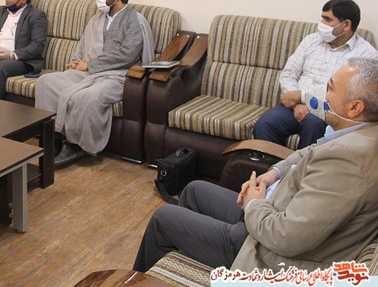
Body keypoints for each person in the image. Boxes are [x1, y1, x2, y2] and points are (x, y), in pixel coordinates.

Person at [133, 57, 378, 273]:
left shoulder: (347, 161)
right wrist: (275, 173)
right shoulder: (360, 134)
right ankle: (184, 263)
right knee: (194, 190)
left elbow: (286, 237)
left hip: (269, 254)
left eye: (330, 88)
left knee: (164, 218)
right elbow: (312, 150)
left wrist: (254, 204)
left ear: (354, 107)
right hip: (273, 212)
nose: (323, 94)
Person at [35, 0, 155, 166]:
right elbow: (82, 45)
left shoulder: (135, 21)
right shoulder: (97, 19)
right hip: (88, 72)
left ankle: (75, 145)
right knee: (46, 82)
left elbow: (127, 55)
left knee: (87, 96)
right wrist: (77, 62)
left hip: (117, 76)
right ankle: (54, 137)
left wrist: (90, 64)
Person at [254, 0, 377, 148]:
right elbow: (288, 74)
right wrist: (297, 103)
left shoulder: (366, 55)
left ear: (346, 25)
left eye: (327, 19)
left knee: (313, 125)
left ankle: (303, 164)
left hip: (327, 111)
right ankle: (275, 164)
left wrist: (302, 96)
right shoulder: (311, 41)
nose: (321, 23)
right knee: (266, 123)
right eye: (322, 18)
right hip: (294, 106)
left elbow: (351, 95)